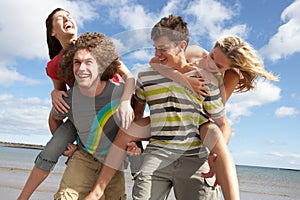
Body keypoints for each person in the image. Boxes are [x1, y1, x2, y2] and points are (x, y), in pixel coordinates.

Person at [85, 14, 240, 200]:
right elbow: (139, 111)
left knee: (214, 133)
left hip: (193, 153)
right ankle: (97, 191)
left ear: (182, 46)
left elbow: (222, 122)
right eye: (155, 48)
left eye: (163, 48)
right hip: (157, 152)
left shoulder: (206, 78)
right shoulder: (147, 76)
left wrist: (213, 155)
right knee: (126, 131)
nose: (157, 53)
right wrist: (135, 143)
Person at [17, 8, 135, 200]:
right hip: (82, 113)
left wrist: (124, 101)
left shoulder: (95, 45)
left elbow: (129, 76)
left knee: (129, 151)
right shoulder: (55, 65)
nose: (67, 18)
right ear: (52, 32)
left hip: (112, 107)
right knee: (53, 148)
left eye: (69, 15)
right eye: (60, 18)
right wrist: (54, 93)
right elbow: (61, 92)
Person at [51, 32, 127, 199]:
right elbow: (54, 118)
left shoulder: (120, 94)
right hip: (84, 156)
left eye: (89, 62)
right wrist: (66, 144)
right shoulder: (69, 98)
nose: (82, 68)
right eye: (77, 62)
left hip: (113, 162)